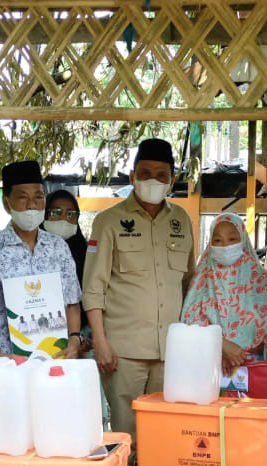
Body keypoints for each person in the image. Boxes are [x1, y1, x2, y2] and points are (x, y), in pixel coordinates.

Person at [82, 138, 195, 440]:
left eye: (161, 175)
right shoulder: (109, 221)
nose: (152, 180)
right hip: (123, 353)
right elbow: (93, 287)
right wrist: (100, 343)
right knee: (126, 436)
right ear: (132, 176)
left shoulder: (181, 220)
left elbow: (191, 285)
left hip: (170, 351)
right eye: (145, 173)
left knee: (162, 436)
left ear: (172, 179)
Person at [0, 160, 82, 357]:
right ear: (6, 202)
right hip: (11, 360)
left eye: (38, 197)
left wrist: (74, 338)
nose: (32, 205)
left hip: (56, 357)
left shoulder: (59, 247)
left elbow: (72, 302)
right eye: (22, 197)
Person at [179, 212, 267, 387]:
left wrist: (238, 354)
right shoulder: (201, 278)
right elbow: (189, 321)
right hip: (206, 366)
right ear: (209, 243)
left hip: (252, 367)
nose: (225, 245)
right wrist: (221, 346)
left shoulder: (260, 279)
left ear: (243, 240)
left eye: (232, 239)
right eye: (217, 240)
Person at [45, 189, 89, 285]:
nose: (63, 219)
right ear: (44, 215)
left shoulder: (85, 253)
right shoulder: (31, 251)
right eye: (56, 213)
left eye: (70, 214)